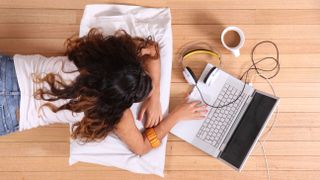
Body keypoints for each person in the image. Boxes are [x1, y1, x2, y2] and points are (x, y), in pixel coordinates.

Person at [0, 29, 207, 155]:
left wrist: (154, 91)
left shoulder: (99, 57)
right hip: (10, 115)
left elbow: (151, 49)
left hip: (8, 72)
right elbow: (142, 147)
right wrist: (175, 115)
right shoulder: (115, 114)